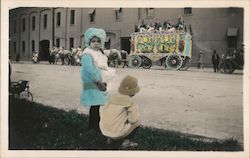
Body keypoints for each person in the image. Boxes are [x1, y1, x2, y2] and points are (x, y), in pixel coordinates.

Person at [80, 27, 112, 132]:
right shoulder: (87, 53)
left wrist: (105, 78)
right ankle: (93, 126)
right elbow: (88, 69)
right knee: (94, 105)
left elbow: (103, 65)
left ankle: (95, 125)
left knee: (97, 105)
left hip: (100, 80)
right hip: (93, 81)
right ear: (89, 42)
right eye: (93, 41)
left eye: (98, 41)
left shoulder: (99, 52)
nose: (96, 43)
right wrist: (98, 82)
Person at [99, 75, 140, 147]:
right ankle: (126, 141)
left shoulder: (112, 97)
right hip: (117, 133)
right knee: (137, 121)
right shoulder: (131, 103)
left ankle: (109, 139)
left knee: (113, 115)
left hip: (103, 130)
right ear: (133, 92)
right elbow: (133, 120)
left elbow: (101, 111)